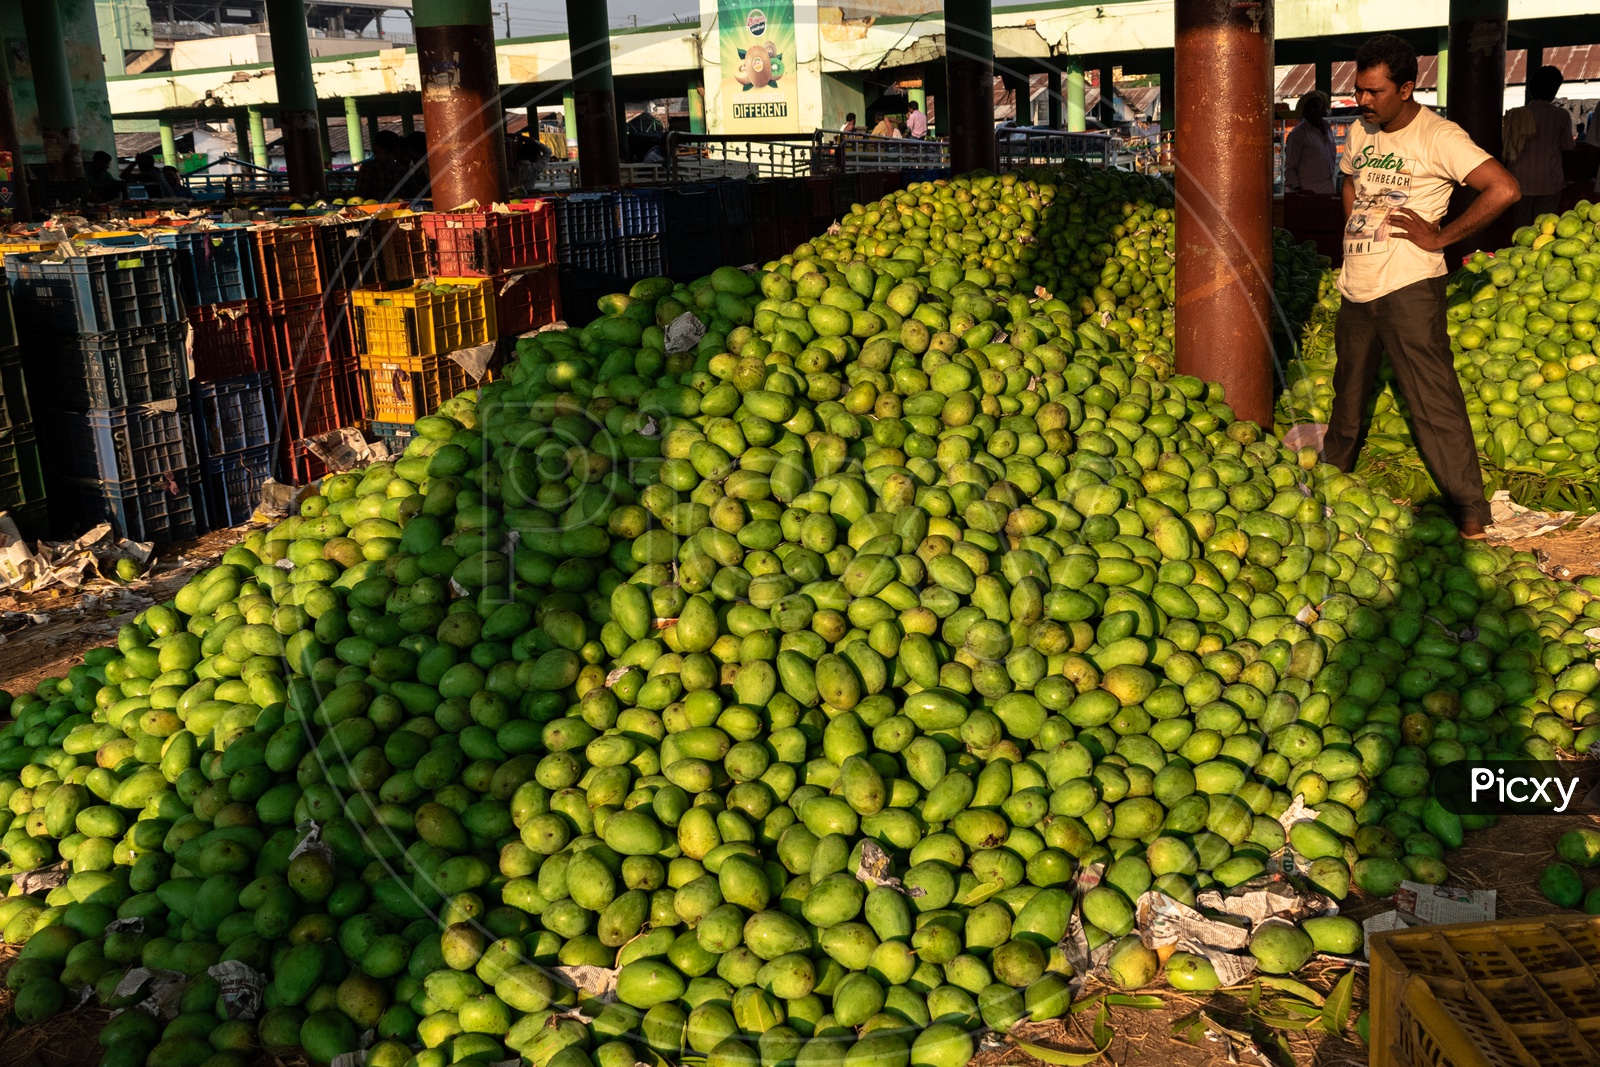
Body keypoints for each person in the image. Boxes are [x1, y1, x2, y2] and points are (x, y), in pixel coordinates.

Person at [1324, 34, 1520, 539]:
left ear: (1407, 87)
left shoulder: (1440, 136)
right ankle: (1329, 484)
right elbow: (1350, 181)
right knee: (1347, 393)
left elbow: (1504, 188)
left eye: (1374, 92)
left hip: (1409, 287)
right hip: (1357, 284)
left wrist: (1441, 238)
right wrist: (1356, 231)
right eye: (1358, 90)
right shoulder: (1361, 131)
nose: (1362, 101)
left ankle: (1471, 512)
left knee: (1432, 400)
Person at [1501, 65, 1573, 228]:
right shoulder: (1561, 115)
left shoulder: (1515, 114)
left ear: (1531, 88)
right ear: (1555, 90)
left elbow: (1505, 151)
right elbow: (1568, 149)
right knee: (1545, 230)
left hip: (1518, 182)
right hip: (1549, 182)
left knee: (1521, 230)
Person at [1283, 90, 1338, 194]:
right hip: (1307, 193)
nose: (1312, 111)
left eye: (1316, 107)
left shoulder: (1327, 129)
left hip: (1327, 191)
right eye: (1309, 108)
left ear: (1322, 109)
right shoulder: (1298, 134)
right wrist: (1298, 191)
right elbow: (1290, 167)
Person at [355, 130, 413, 202]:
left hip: (372, 211)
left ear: (376, 146)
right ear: (396, 149)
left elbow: (359, 196)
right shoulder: (401, 169)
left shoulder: (367, 167)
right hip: (398, 210)